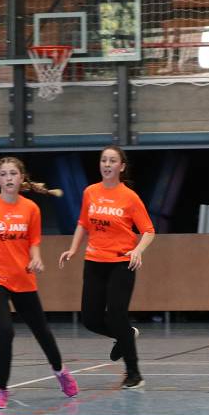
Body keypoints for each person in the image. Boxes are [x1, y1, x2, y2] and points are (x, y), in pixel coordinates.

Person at [0, 157, 79, 410]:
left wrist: (36, 258)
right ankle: (1, 389)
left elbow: (34, 241)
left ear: (21, 178)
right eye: (4, 174)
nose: (9, 178)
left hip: (23, 277)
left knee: (42, 331)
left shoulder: (31, 209)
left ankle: (60, 371)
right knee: (4, 331)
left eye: (13, 173)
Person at [58, 146, 155, 389]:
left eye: (112, 160)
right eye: (104, 160)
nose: (107, 164)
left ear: (121, 166)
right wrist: (73, 249)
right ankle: (126, 334)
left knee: (117, 314)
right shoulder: (90, 192)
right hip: (94, 262)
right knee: (90, 319)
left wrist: (138, 250)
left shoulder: (129, 197)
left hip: (122, 262)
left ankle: (134, 374)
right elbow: (83, 223)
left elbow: (148, 231)